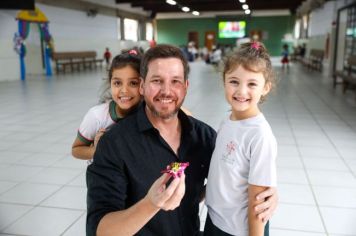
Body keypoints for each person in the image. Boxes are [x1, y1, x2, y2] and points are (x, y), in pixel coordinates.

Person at [86, 44, 278, 236]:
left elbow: (233, 174)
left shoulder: (204, 137)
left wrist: (265, 193)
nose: (166, 91)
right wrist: (151, 204)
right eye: (157, 80)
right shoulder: (114, 145)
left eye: (175, 81)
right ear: (142, 86)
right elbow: (101, 231)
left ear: (186, 87)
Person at [204, 42, 277, 236]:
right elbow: (223, 172)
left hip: (240, 229)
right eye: (234, 81)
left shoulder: (259, 135)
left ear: (266, 88)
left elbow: (259, 200)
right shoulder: (227, 120)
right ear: (224, 81)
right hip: (215, 218)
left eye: (252, 84)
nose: (241, 91)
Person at [71, 50, 142, 160]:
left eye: (133, 83)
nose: (124, 90)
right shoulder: (97, 116)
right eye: (117, 83)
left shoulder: (148, 114)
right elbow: (76, 150)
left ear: (143, 85)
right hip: (106, 174)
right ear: (110, 83)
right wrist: (99, 150)